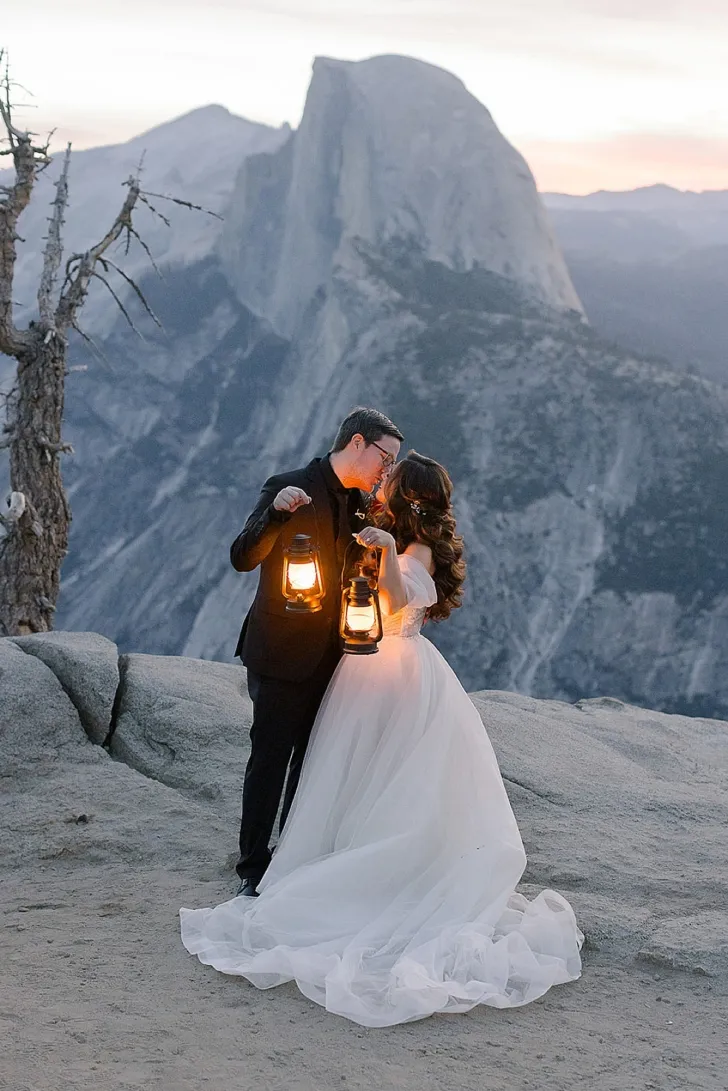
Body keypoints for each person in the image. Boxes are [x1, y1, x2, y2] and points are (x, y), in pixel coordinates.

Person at [181, 452, 583, 1027]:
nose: (381, 484)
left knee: (378, 774)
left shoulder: (412, 551)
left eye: (390, 481)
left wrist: (386, 551)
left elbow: (393, 603)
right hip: (363, 672)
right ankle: (311, 855)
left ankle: (355, 872)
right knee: (346, 772)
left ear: (408, 500)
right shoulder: (379, 528)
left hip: (393, 673)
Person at [229, 407, 403, 897]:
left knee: (311, 762)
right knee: (269, 761)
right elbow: (242, 556)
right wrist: (274, 514)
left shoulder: (361, 505)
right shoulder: (287, 485)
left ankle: (292, 856)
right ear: (357, 444)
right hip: (282, 654)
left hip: (336, 659)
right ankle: (251, 869)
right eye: (384, 458)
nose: (385, 470)